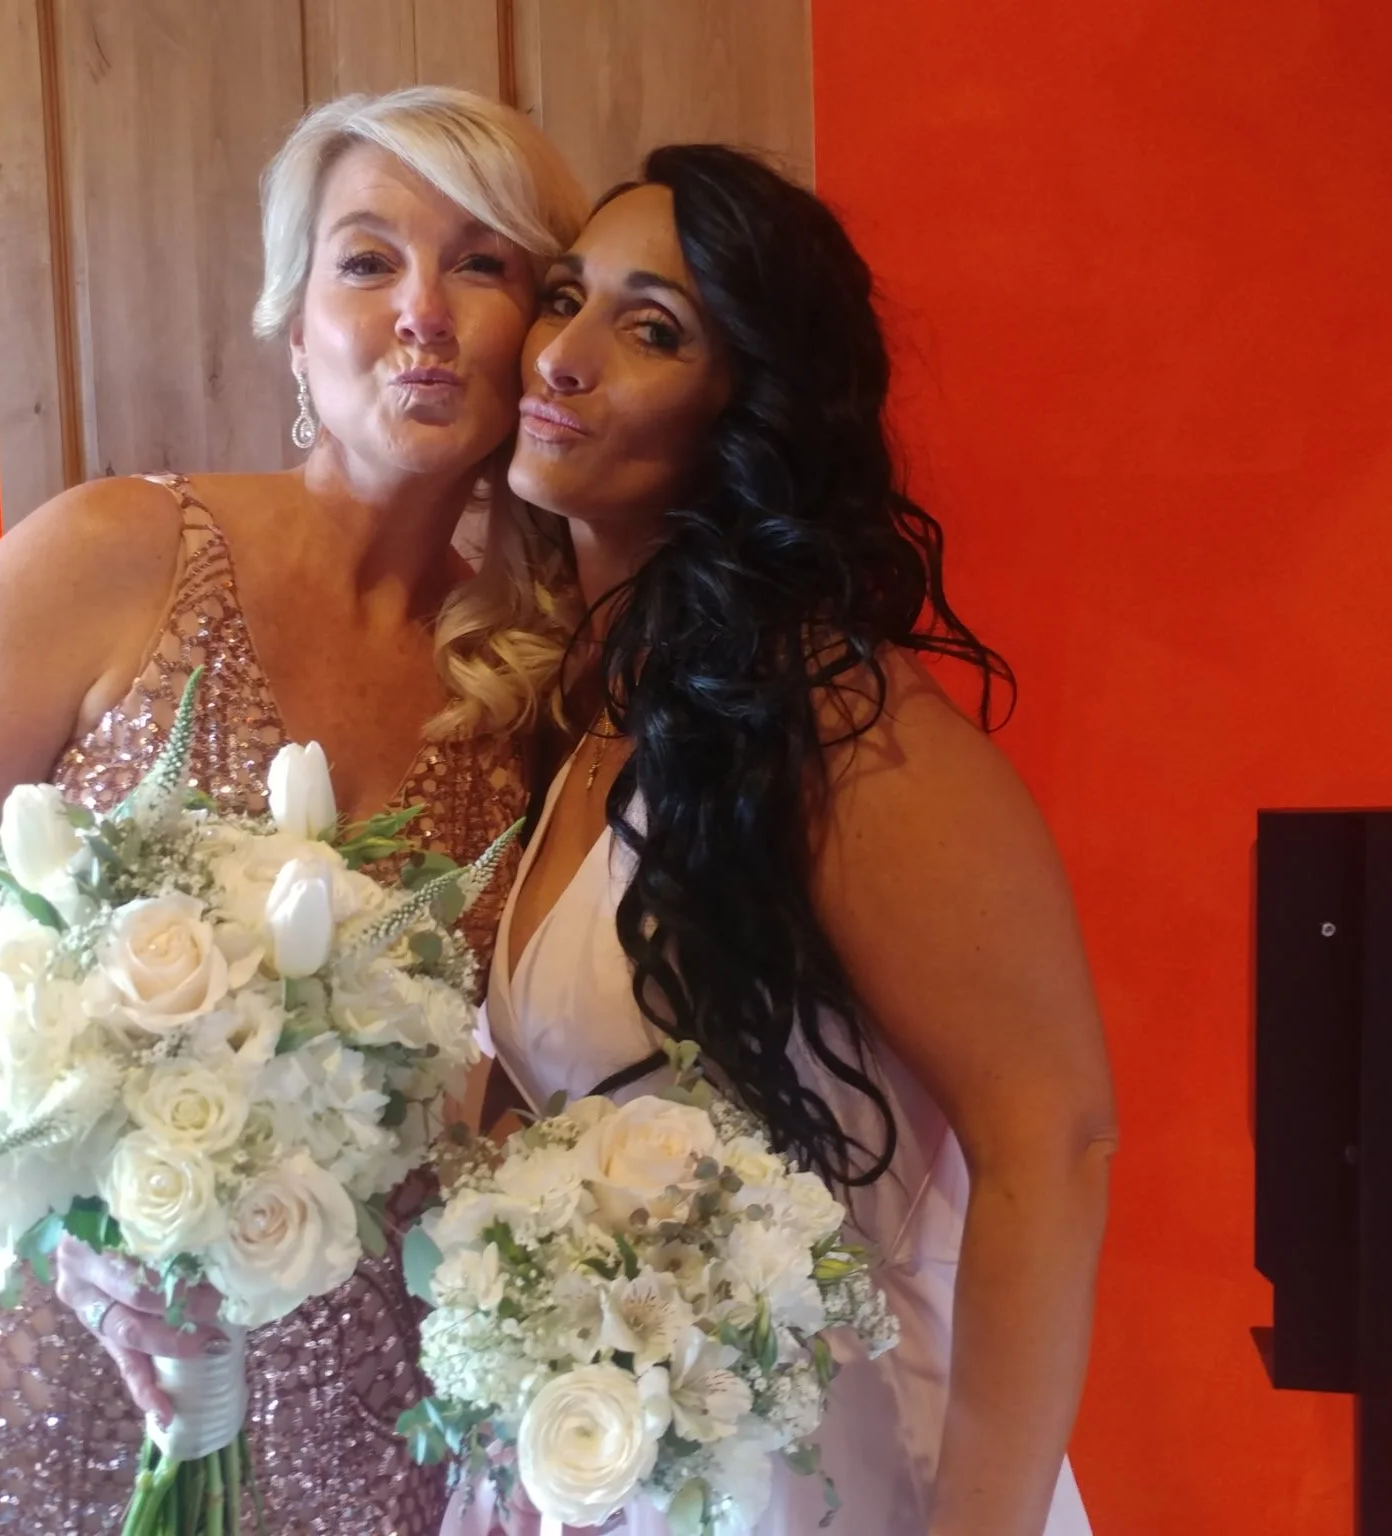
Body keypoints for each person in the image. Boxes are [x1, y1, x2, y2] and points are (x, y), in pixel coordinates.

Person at [0, 87, 586, 1535]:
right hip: (14, 1323)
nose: (422, 311)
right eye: (367, 261)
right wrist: (63, 1189)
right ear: (297, 326)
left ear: (538, 328)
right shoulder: (120, 550)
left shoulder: (538, 681)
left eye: (480, 265)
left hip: (339, 1373)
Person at [460, 146, 1115, 1534]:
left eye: (649, 330)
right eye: (566, 297)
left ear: (744, 406)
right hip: (617, 1472)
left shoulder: (834, 723)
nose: (562, 355)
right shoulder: (590, 720)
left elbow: (1049, 1139)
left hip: (836, 1479)